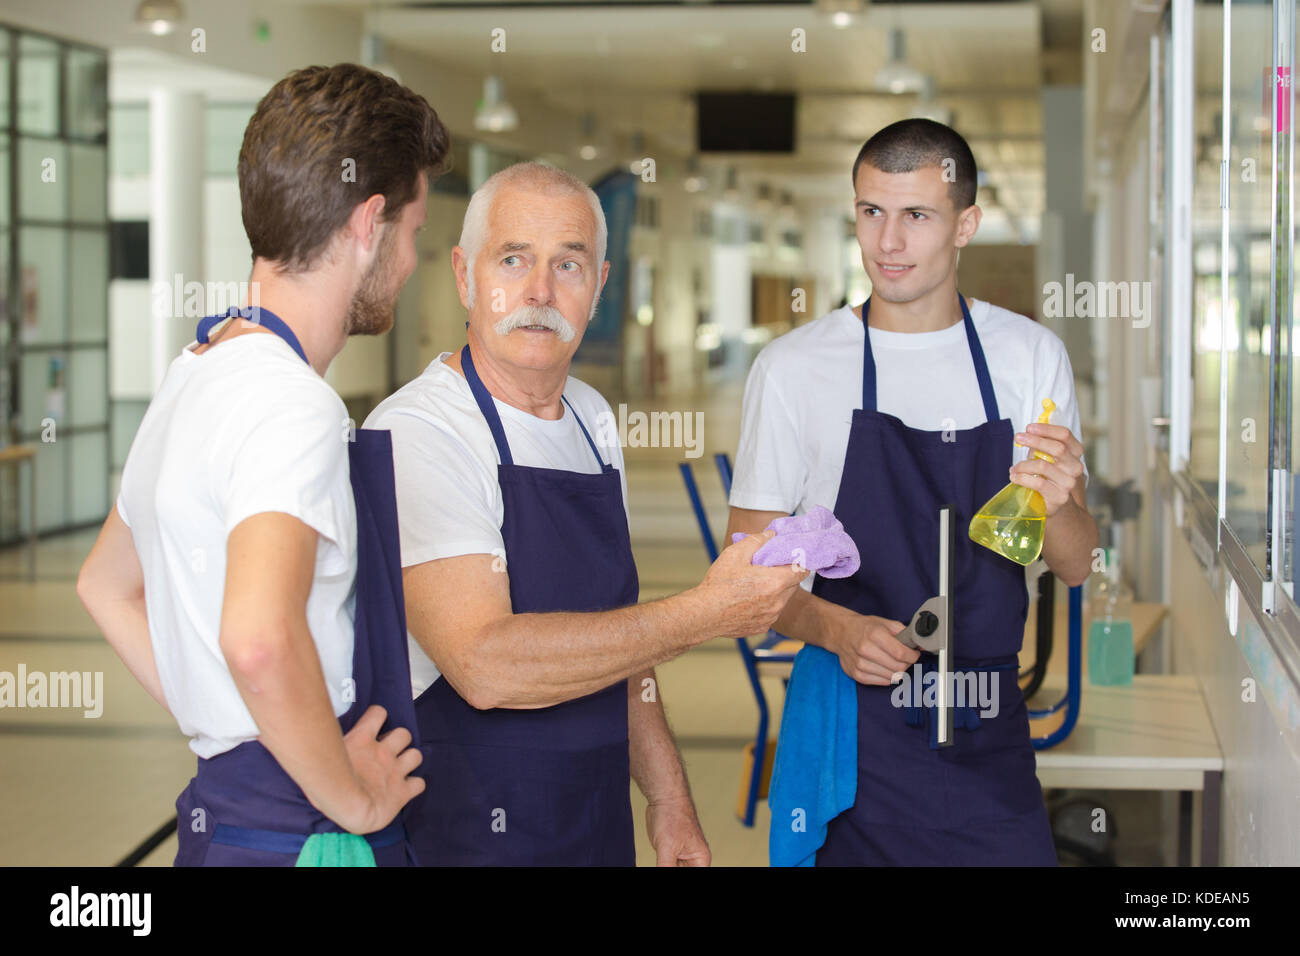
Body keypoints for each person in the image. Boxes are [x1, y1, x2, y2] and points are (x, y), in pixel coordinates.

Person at [364, 161, 805, 866]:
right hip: (467, 833)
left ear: (599, 286)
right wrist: (707, 613)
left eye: (568, 265)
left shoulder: (594, 420)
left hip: (594, 827)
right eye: (513, 259)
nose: (538, 291)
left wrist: (668, 800)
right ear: (464, 274)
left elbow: (620, 642)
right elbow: (485, 665)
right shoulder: (422, 431)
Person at [76, 64, 450, 866]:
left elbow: (103, 586)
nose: (413, 261)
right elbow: (257, 639)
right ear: (368, 221)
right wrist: (350, 794)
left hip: (226, 818)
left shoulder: (194, 371)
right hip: (305, 836)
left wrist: (233, 726)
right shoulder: (293, 407)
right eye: (415, 232)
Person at [727, 118, 1098, 866]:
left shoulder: (1028, 359)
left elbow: (1078, 562)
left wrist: (1061, 502)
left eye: (916, 216)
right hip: (854, 740)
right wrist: (836, 629)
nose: (887, 242)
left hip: (990, 722)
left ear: (966, 225)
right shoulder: (795, 368)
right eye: (871, 212)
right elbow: (745, 577)